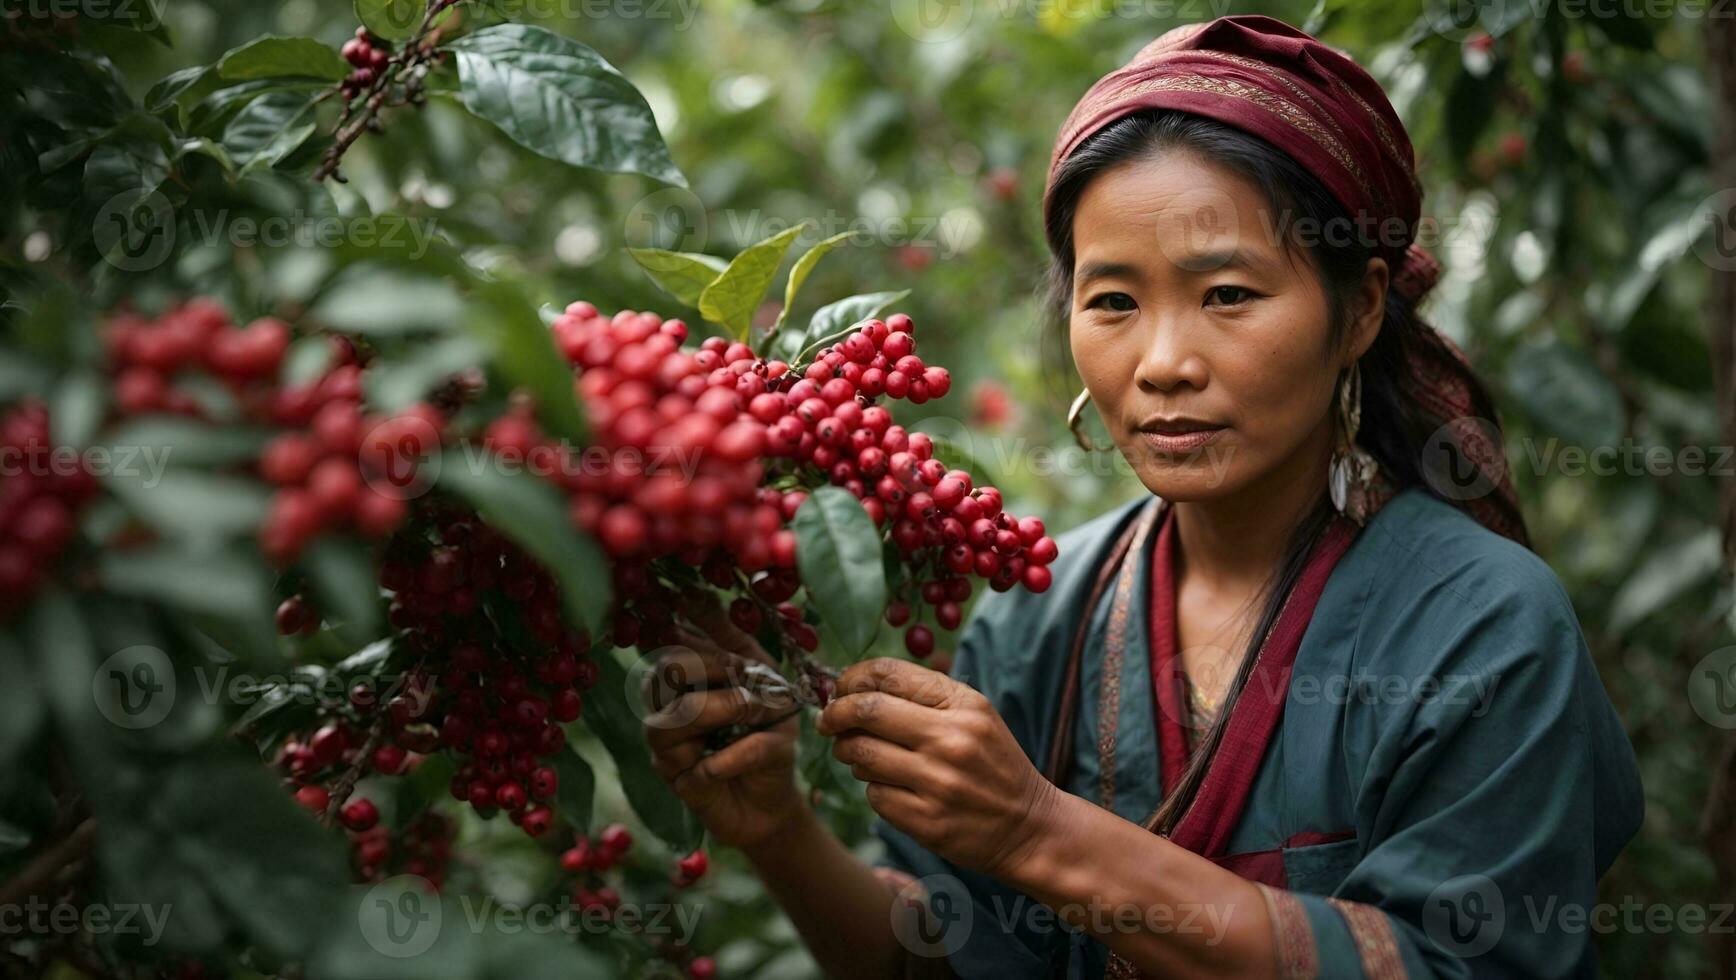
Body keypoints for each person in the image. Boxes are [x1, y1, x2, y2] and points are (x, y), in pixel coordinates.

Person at [644, 15, 1644, 978]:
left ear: (1360, 310)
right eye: (1113, 300)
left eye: (1227, 295)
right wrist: (779, 829)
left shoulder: (1484, 625)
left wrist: (1035, 827)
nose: (1162, 362)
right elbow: (944, 952)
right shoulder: (1044, 613)